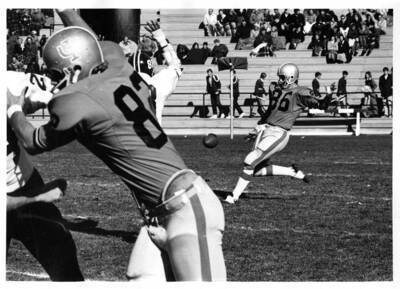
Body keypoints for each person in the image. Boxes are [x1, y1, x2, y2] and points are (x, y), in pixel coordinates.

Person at [7, 10, 226, 281]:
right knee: (139, 277)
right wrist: (65, 9)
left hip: (186, 209)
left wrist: (13, 107)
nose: (53, 81)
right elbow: (91, 41)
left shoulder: (76, 102)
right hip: (162, 212)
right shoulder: (115, 60)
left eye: (55, 73)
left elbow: (31, 141)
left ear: (74, 69)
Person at [6, 71, 84, 281]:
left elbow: (50, 92)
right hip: (27, 195)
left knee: (64, 261)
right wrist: (39, 197)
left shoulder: (8, 81)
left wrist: (63, 92)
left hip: (25, 182)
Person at [225, 63, 323, 204]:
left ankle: (233, 197)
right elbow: (271, 109)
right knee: (256, 170)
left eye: (283, 77)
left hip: (279, 133)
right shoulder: (275, 88)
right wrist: (258, 127)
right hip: (266, 129)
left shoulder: (300, 92)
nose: (280, 80)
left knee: (250, 161)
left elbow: (317, 102)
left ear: (291, 77)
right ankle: (291, 171)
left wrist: (324, 102)